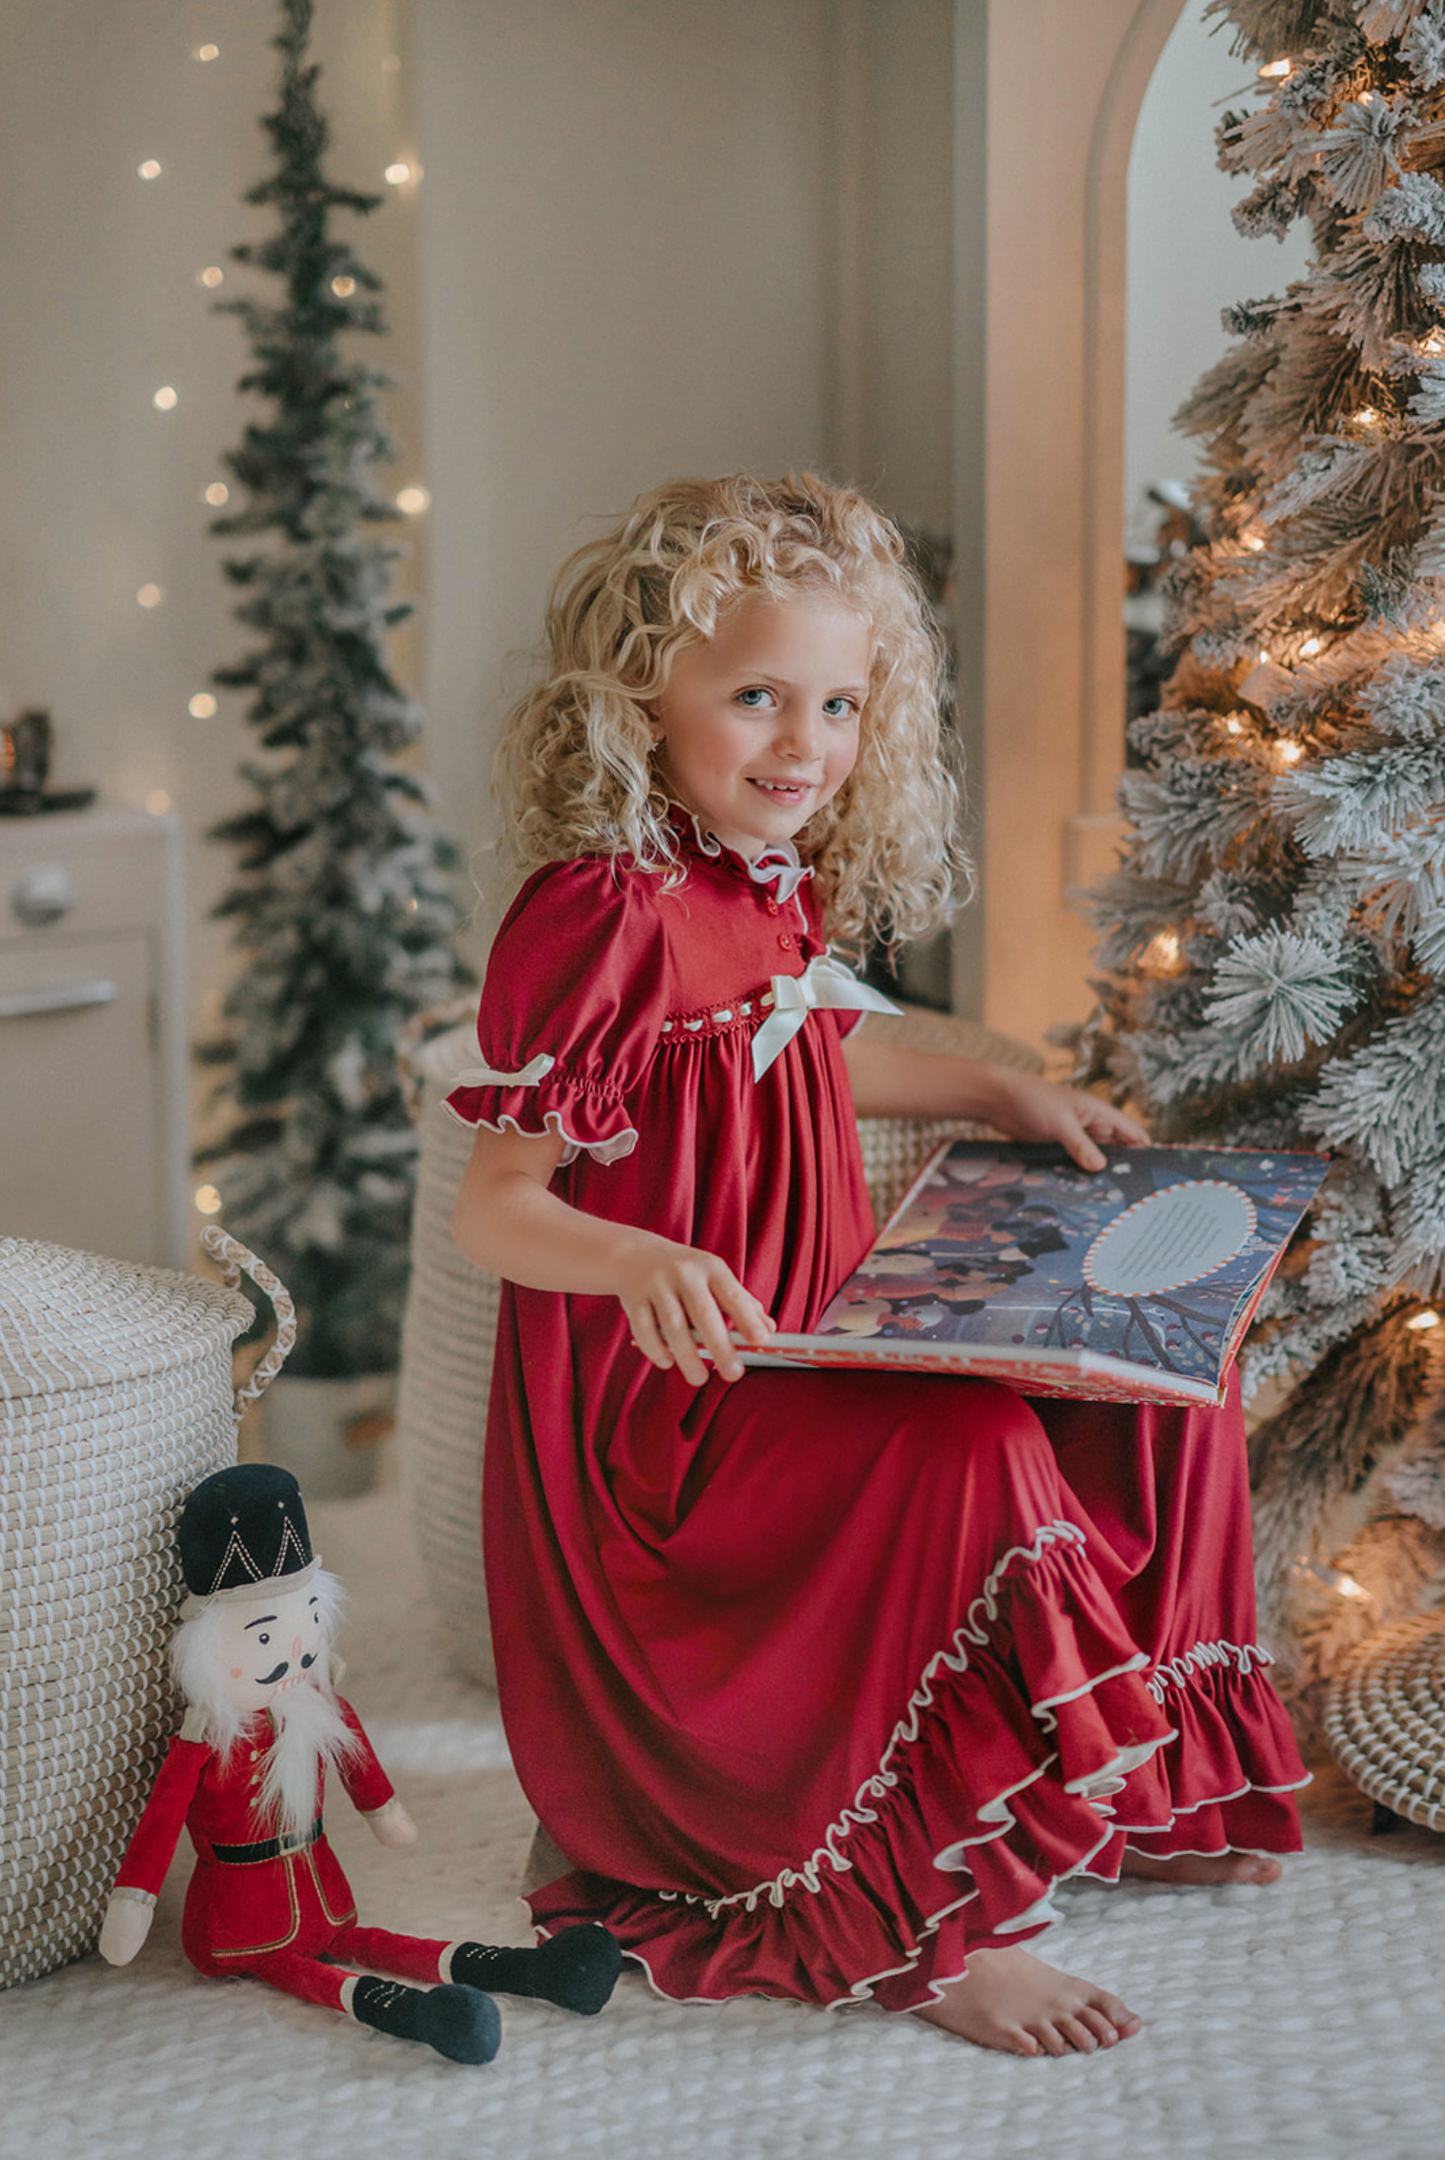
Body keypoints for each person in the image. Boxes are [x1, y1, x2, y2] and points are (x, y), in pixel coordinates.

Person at [447, 472, 1307, 2058]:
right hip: (679, 1414)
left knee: (1168, 1373)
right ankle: (942, 1921)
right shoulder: (599, 910)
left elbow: (796, 1066)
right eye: (757, 695)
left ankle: (1132, 1777)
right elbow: (496, 1203)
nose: (802, 747)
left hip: (820, 1336)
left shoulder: (769, 885)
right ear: (645, 691)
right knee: (970, 1447)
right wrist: (635, 1255)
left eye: (839, 705)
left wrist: (999, 1091)